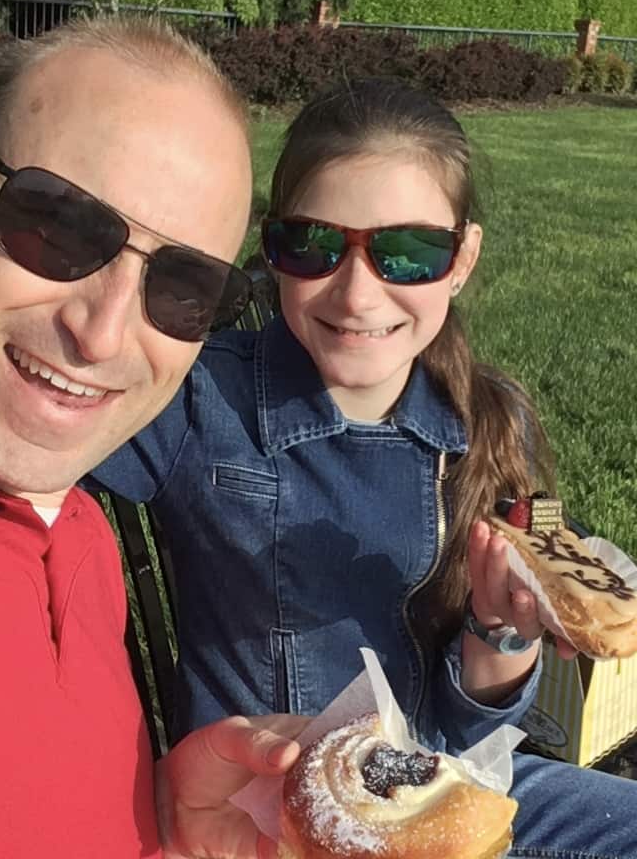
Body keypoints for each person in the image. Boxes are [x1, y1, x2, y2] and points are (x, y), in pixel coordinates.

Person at [91, 78, 637, 858]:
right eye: (312, 246)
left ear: (462, 259)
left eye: (407, 252)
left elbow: (464, 732)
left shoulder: (483, 421)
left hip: (446, 787)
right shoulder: (199, 399)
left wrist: (500, 633)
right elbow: (15, 457)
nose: (356, 293)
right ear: (270, 251)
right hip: (275, 820)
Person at [0, 17, 305, 859]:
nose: (102, 334)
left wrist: (158, 825)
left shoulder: (83, 528)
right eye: (56, 226)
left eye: (185, 286)